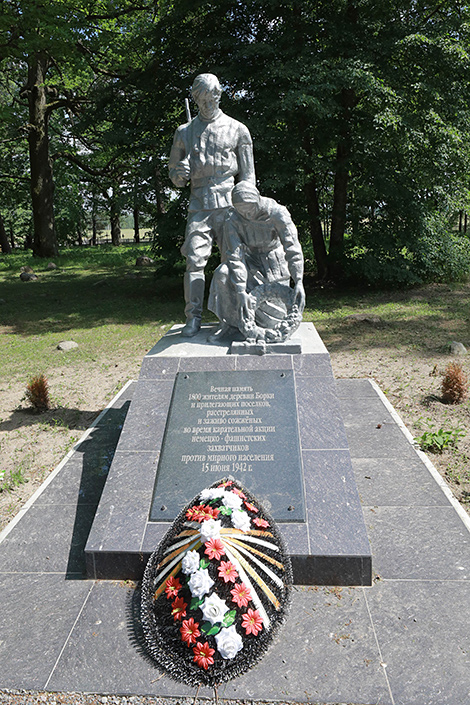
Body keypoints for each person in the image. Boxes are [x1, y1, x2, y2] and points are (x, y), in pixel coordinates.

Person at [168, 73, 256, 337]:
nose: (209, 103)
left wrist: (248, 204)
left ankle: (239, 315)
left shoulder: (238, 129)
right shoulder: (184, 133)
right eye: (203, 99)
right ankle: (192, 317)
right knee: (194, 261)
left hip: (230, 204)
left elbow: (249, 177)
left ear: (220, 95)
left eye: (213, 97)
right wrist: (180, 172)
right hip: (199, 205)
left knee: (236, 261)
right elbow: (175, 179)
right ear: (195, 99)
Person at [207, 181, 305, 343]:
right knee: (222, 273)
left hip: (273, 263)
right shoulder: (232, 219)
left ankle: (267, 327)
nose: (246, 215)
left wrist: (299, 280)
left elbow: (292, 247)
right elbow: (235, 255)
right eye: (241, 211)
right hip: (249, 261)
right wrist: (240, 291)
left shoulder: (277, 213)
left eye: (249, 210)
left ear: (258, 200)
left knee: (272, 321)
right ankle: (232, 325)